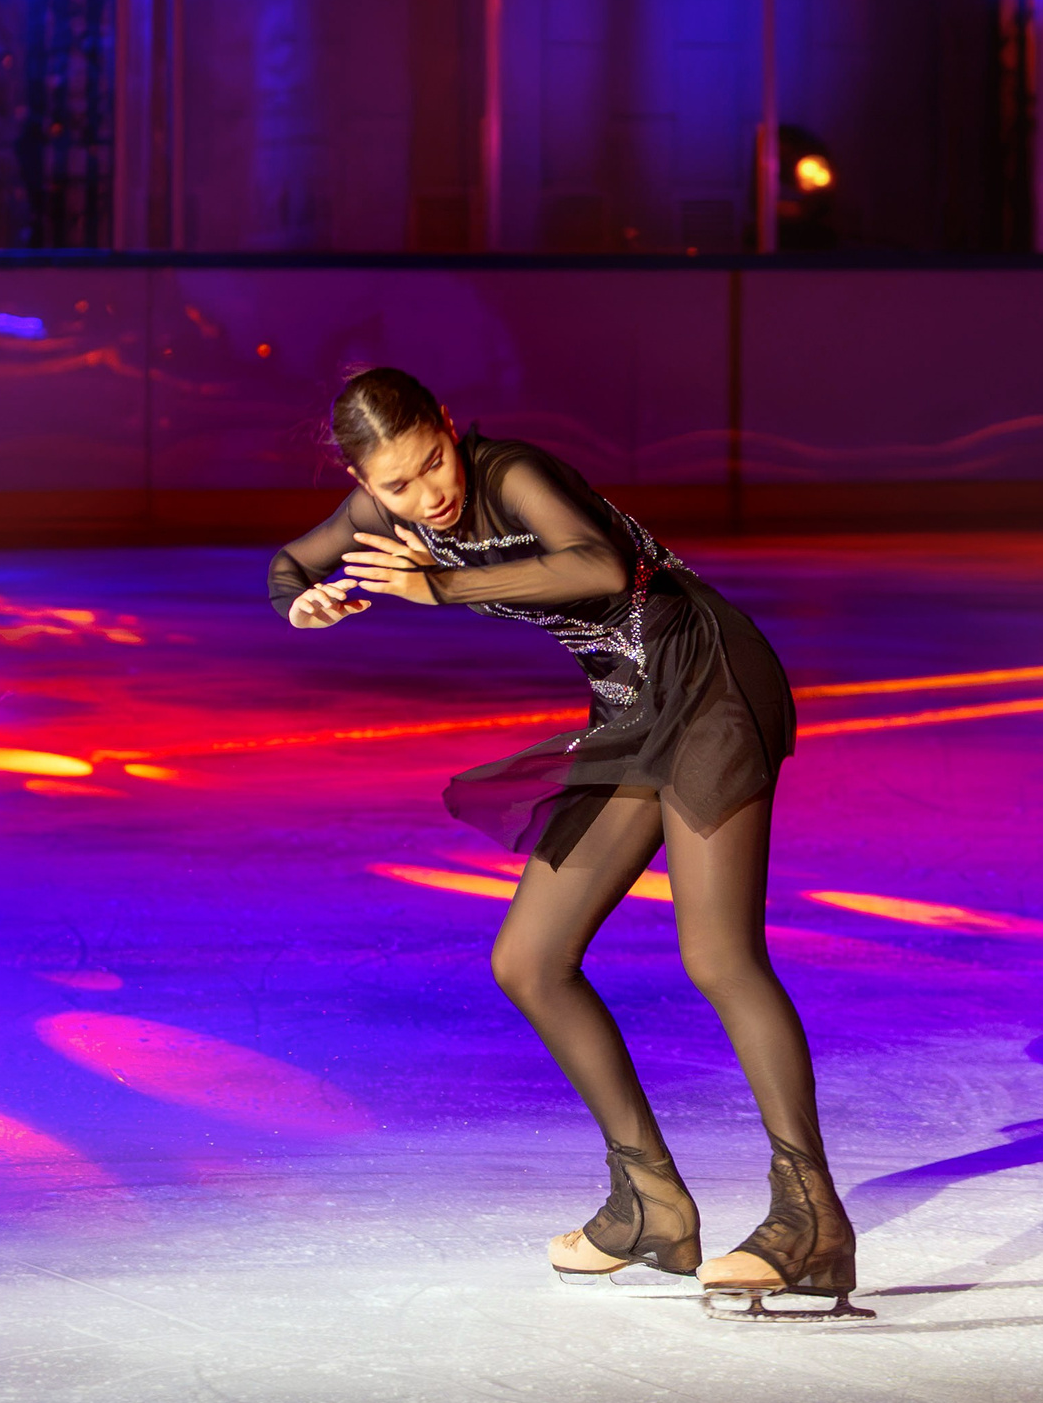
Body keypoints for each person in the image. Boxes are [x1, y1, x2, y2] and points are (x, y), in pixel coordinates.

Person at [267, 368, 864, 1320]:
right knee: (530, 960)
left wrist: (439, 585)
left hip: (709, 679)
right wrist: (307, 602)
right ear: (362, 481)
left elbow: (597, 566)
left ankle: (813, 1220)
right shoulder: (378, 512)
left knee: (717, 956)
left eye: (435, 462)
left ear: (450, 428)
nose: (429, 495)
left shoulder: (513, 474)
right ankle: (651, 1202)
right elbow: (291, 566)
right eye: (398, 485)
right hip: (632, 709)